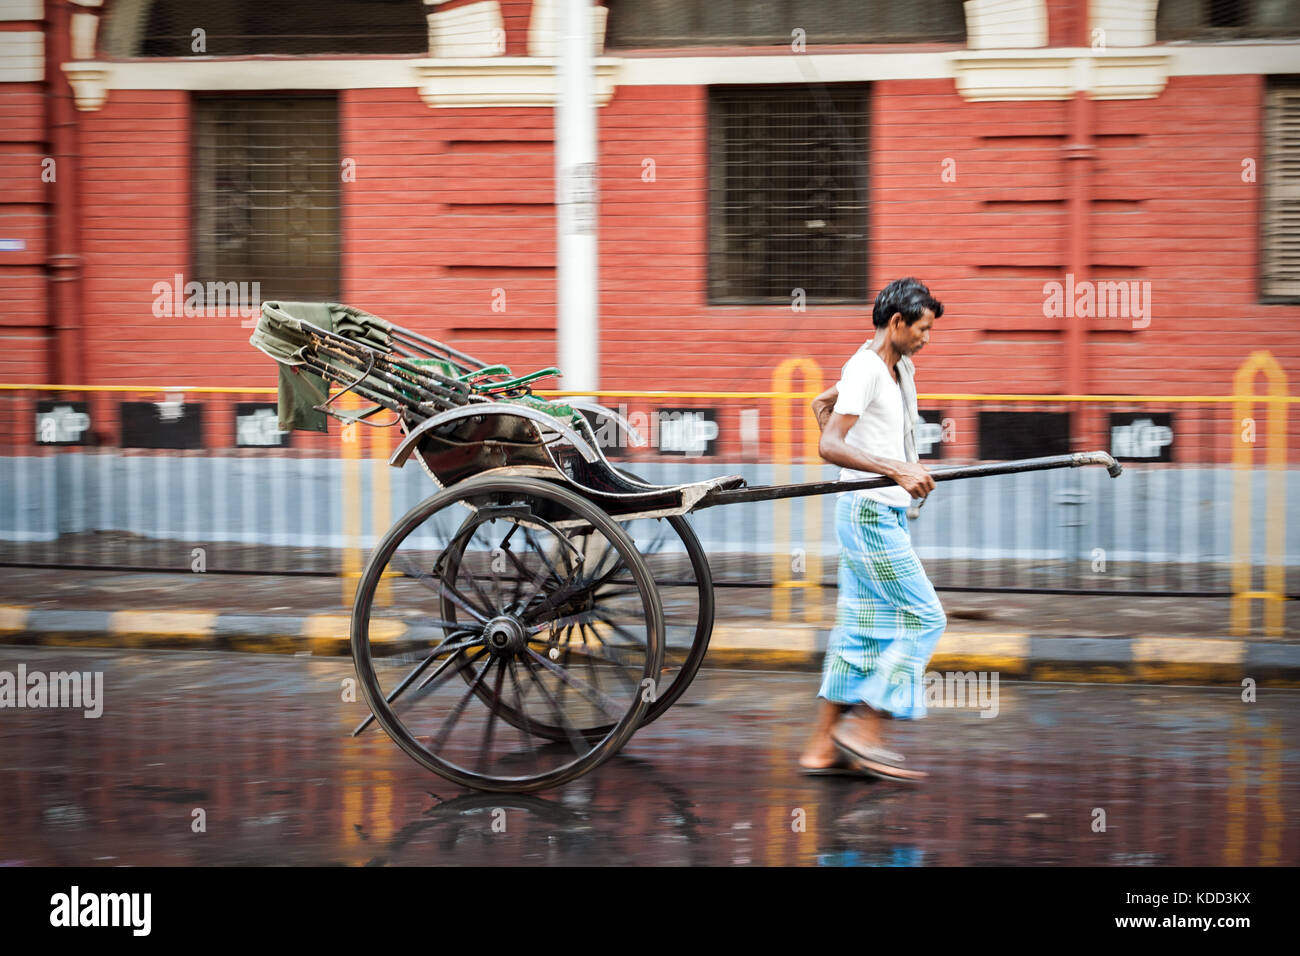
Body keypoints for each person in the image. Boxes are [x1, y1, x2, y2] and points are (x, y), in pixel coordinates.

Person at [798, 277, 947, 782]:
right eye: (923, 329)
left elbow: (823, 405)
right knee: (925, 618)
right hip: (868, 511)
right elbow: (831, 444)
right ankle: (866, 727)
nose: (927, 338)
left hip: (879, 511)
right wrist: (896, 469)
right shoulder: (866, 366)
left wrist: (895, 470)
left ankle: (821, 746)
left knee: (860, 630)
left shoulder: (894, 366)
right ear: (897, 322)